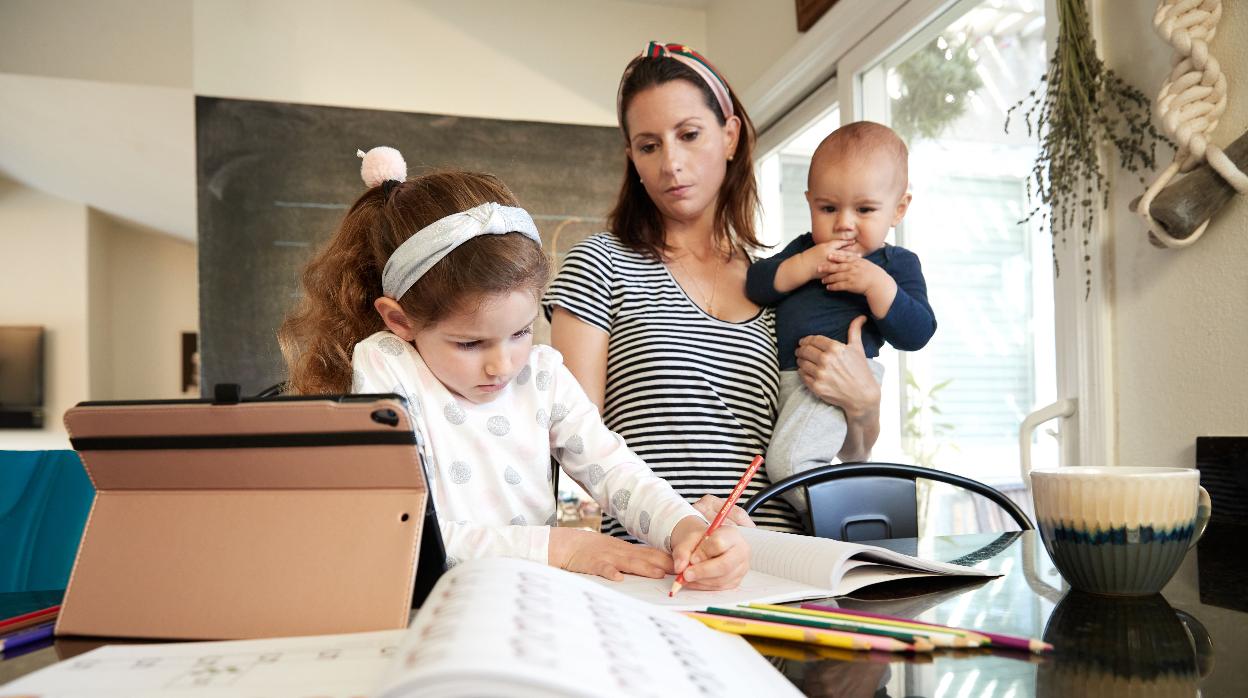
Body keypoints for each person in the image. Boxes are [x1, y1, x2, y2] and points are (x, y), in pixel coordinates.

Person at [278, 147, 748, 589]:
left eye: (521, 332)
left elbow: (614, 468)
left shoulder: (541, 374)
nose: (502, 365)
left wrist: (682, 527)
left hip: (526, 601)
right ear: (399, 319)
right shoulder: (387, 366)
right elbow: (415, 534)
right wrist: (564, 548)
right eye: (469, 342)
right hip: (427, 604)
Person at [544, 42, 884, 537]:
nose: (671, 163)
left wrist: (863, 405)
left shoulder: (782, 282)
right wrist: (653, 534)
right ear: (632, 159)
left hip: (780, 564)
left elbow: (848, 452)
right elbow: (574, 446)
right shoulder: (600, 265)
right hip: (657, 563)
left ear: (729, 136)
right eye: (648, 145)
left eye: (688, 134)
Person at [746, 121, 936, 513]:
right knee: (784, 458)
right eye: (828, 208)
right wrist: (805, 265)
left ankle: (850, 517)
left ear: (898, 209)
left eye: (864, 209)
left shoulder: (895, 264)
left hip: (837, 379)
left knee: (790, 465)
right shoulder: (804, 251)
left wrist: (875, 284)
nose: (844, 223)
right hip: (787, 380)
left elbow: (917, 332)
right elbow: (757, 284)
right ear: (810, 202)